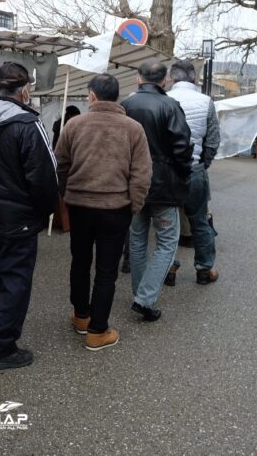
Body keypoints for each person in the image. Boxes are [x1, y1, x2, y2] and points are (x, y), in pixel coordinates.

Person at [0, 62, 59, 370]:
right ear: (25, 89)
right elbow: (44, 177)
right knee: (15, 281)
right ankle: (2, 348)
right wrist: (45, 212)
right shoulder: (28, 124)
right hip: (20, 217)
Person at [55, 73, 151, 351]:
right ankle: (98, 331)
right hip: (116, 209)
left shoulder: (74, 125)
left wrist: (65, 194)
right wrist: (135, 204)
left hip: (80, 206)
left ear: (92, 96)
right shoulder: (133, 129)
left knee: (80, 261)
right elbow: (142, 174)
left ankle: (81, 316)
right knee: (107, 270)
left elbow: (60, 164)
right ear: (119, 97)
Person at [122, 60, 193, 321]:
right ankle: (145, 298)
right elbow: (182, 148)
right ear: (165, 81)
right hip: (164, 184)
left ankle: (141, 294)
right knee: (166, 242)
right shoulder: (170, 106)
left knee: (137, 239)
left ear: (138, 78)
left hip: (132, 183)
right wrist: (184, 176)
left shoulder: (126, 106)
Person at [166, 60, 221, 285]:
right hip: (195, 169)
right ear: (194, 79)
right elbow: (213, 140)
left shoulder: (164, 99)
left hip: (167, 172)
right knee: (199, 222)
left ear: (172, 77)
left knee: (168, 223)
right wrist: (202, 163)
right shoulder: (206, 101)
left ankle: (169, 268)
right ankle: (204, 270)